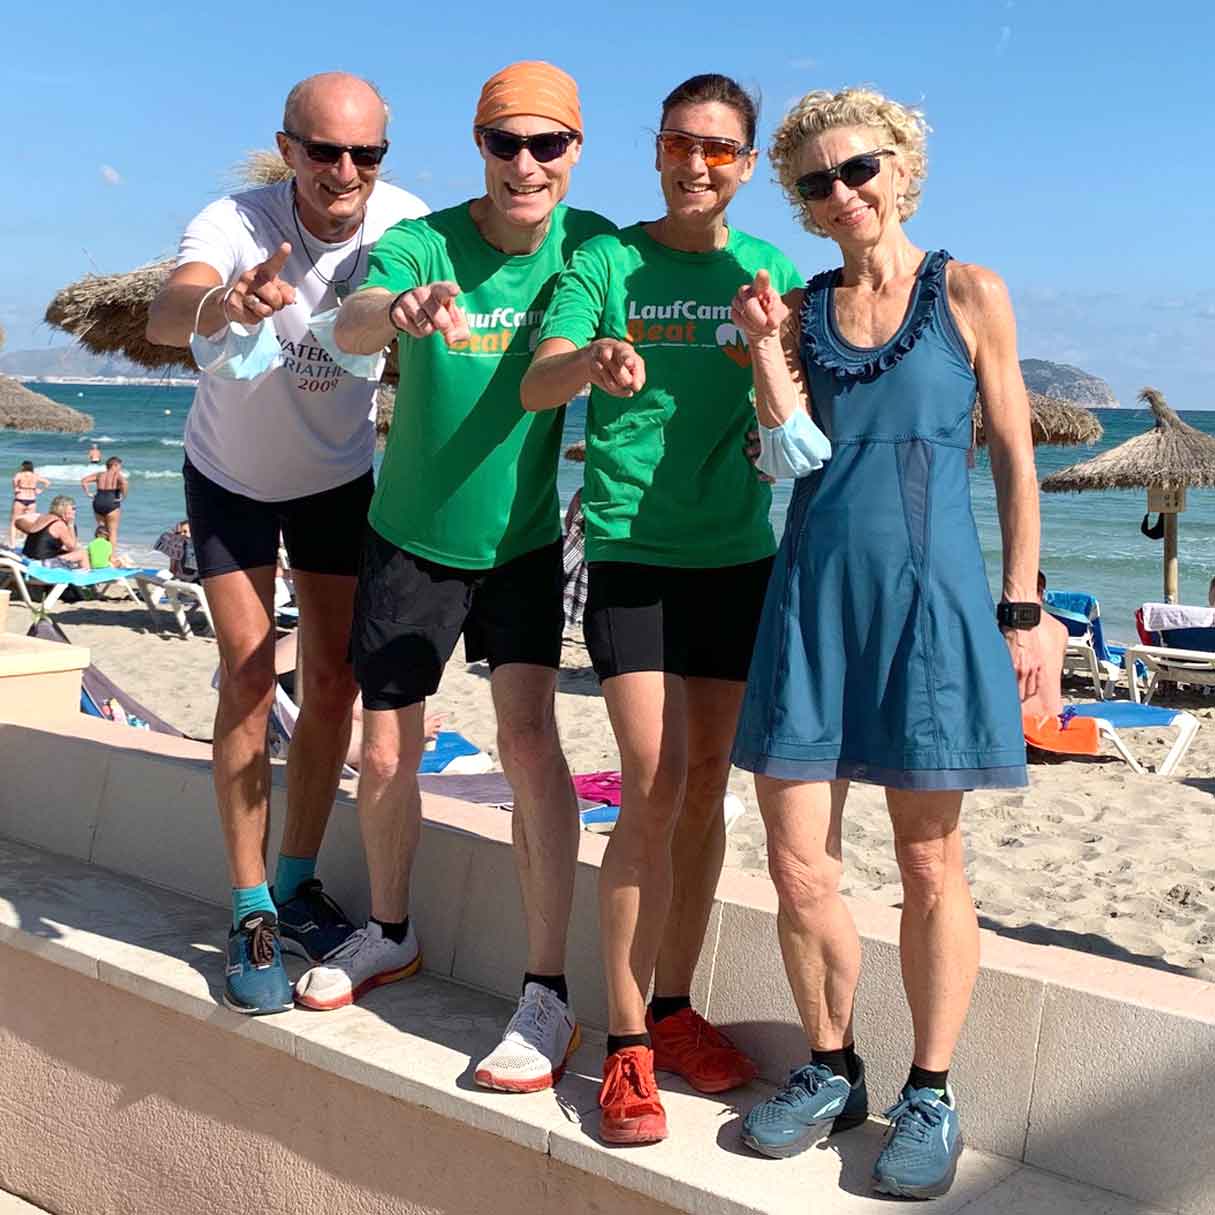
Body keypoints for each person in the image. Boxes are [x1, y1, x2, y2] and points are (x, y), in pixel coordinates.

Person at [728, 87, 1041, 1198]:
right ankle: (830, 1067)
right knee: (797, 858)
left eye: (858, 169)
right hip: (812, 600)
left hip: (934, 606)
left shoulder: (969, 291)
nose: (843, 193)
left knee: (926, 861)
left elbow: (1011, 454)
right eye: (816, 182)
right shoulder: (797, 309)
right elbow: (789, 457)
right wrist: (765, 352)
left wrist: (1022, 608)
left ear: (902, 165)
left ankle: (933, 1089)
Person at [298, 60, 614, 1094]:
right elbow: (347, 322)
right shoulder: (425, 240)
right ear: (479, 147)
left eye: (547, 144)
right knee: (387, 750)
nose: (526, 165)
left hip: (523, 541)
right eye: (504, 143)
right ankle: (390, 930)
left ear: (573, 152)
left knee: (532, 744)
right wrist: (396, 314)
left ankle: (546, 989)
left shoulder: (596, 245)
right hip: (410, 537)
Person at [521, 73, 802, 1145]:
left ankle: (678, 1006)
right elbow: (539, 382)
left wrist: (768, 351)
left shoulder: (767, 271)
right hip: (632, 549)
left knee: (702, 794)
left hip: (736, 557)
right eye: (683, 143)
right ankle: (626, 1044)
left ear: (748, 162)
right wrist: (592, 356)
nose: (699, 164)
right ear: (655, 150)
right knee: (647, 785)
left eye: (722, 150)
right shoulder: (606, 261)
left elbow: (800, 423)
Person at [145, 72, 429, 1015]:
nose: (343, 170)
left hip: (337, 482)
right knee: (247, 671)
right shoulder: (235, 218)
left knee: (337, 679)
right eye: (322, 151)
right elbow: (165, 306)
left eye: (365, 153)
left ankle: (298, 876)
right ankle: (248, 903)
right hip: (227, 478)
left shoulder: (403, 221)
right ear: (288, 148)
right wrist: (221, 307)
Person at [1022, 572, 1067, 719]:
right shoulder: (1061, 629)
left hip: (1022, 721)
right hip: (1055, 716)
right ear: (1041, 592)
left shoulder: (1010, 630)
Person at [16, 496, 88, 568]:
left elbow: (18, 520)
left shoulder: (42, 517)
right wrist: (71, 525)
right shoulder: (59, 524)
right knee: (82, 553)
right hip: (42, 562)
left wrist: (29, 529)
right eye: (73, 509)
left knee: (68, 551)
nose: (74, 512)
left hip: (28, 556)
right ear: (63, 509)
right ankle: (86, 577)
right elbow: (72, 547)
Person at [81, 456, 129, 544]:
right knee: (112, 532)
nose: (120, 468)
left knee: (101, 530)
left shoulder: (99, 474)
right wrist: (123, 496)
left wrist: (88, 493)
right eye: (119, 466)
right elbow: (125, 483)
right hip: (111, 500)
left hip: (98, 500)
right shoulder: (116, 475)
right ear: (114, 465)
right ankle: (112, 556)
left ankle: (99, 551)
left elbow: (84, 481)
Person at [10, 461, 51, 546]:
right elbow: (47, 482)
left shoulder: (20, 475)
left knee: (14, 522)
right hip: (32, 500)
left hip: (20, 499)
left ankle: (13, 544)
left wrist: (16, 488)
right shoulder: (35, 476)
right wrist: (40, 490)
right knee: (29, 523)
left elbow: (14, 480)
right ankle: (26, 543)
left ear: (23, 467)